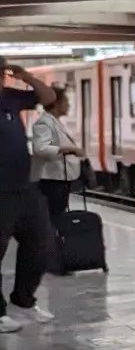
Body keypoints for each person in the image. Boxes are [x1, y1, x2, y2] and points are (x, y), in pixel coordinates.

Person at [0, 59, 60, 332]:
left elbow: (48, 98)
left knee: (41, 243)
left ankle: (23, 302)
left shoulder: (10, 98)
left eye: (1, 74)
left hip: (24, 187)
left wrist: (26, 77)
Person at [31, 86, 81, 218]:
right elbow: (40, 148)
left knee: (58, 214)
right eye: (66, 101)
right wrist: (68, 149)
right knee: (53, 215)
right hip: (51, 180)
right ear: (56, 104)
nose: (68, 105)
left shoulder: (54, 122)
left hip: (59, 179)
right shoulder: (44, 123)